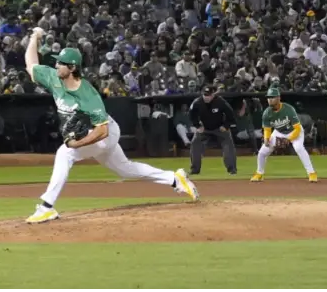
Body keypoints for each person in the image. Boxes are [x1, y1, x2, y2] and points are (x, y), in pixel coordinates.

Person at [23, 28, 197, 224]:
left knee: (65, 153)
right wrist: (34, 37)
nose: (55, 65)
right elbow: (31, 64)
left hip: (104, 133)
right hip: (93, 132)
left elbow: (102, 130)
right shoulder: (53, 77)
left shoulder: (87, 94)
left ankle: (47, 207)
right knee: (125, 169)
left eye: (60, 63)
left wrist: (76, 145)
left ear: (72, 68)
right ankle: (175, 179)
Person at [251, 86, 318, 183]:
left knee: (299, 148)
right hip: (279, 132)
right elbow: (267, 129)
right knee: (262, 152)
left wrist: (289, 139)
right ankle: (259, 173)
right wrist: (266, 138)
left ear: (278, 98)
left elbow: (298, 128)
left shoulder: (288, 109)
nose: (270, 100)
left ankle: (312, 173)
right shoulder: (267, 113)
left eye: (272, 97)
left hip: (295, 132)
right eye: (268, 97)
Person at [187, 84, 238, 176]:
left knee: (228, 145)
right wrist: (197, 126)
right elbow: (191, 115)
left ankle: (232, 169)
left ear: (213, 94)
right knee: (195, 143)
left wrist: (225, 126)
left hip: (219, 128)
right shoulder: (197, 102)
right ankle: (195, 169)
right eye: (205, 95)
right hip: (204, 128)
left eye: (208, 95)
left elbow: (231, 116)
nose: (206, 97)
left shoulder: (221, 102)